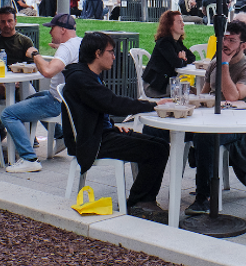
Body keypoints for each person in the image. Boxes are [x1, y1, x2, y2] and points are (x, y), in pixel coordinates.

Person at [62, 31, 170, 220]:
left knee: (161, 144)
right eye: (110, 51)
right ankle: (139, 202)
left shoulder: (88, 75)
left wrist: (111, 125)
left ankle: (143, 200)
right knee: (156, 151)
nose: (114, 56)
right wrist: (152, 105)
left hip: (100, 133)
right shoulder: (81, 78)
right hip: (92, 141)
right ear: (97, 53)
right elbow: (114, 104)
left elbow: (97, 107)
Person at [186, 20, 246, 215]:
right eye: (223, 39)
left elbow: (233, 96)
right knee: (156, 130)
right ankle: (146, 197)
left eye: (232, 40)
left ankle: (204, 197)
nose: (225, 44)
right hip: (209, 118)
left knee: (205, 137)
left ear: (243, 45)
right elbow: (204, 94)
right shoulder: (213, 63)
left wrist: (224, 64)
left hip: (237, 127)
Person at [0, 13, 82, 173]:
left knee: (8, 113)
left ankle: (29, 158)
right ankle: (60, 135)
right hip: (69, 101)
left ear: (63, 30)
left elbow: (48, 71)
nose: (50, 32)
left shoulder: (66, 48)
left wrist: (35, 54)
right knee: (31, 99)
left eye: (53, 28)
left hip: (58, 102)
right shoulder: (79, 43)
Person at [141, 10, 193, 98]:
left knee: (192, 91)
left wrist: (182, 60)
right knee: (189, 93)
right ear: (170, 25)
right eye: (179, 22)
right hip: (154, 86)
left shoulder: (177, 43)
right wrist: (181, 60)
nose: (183, 24)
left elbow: (192, 57)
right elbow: (176, 63)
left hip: (165, 84)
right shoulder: (164, 43)